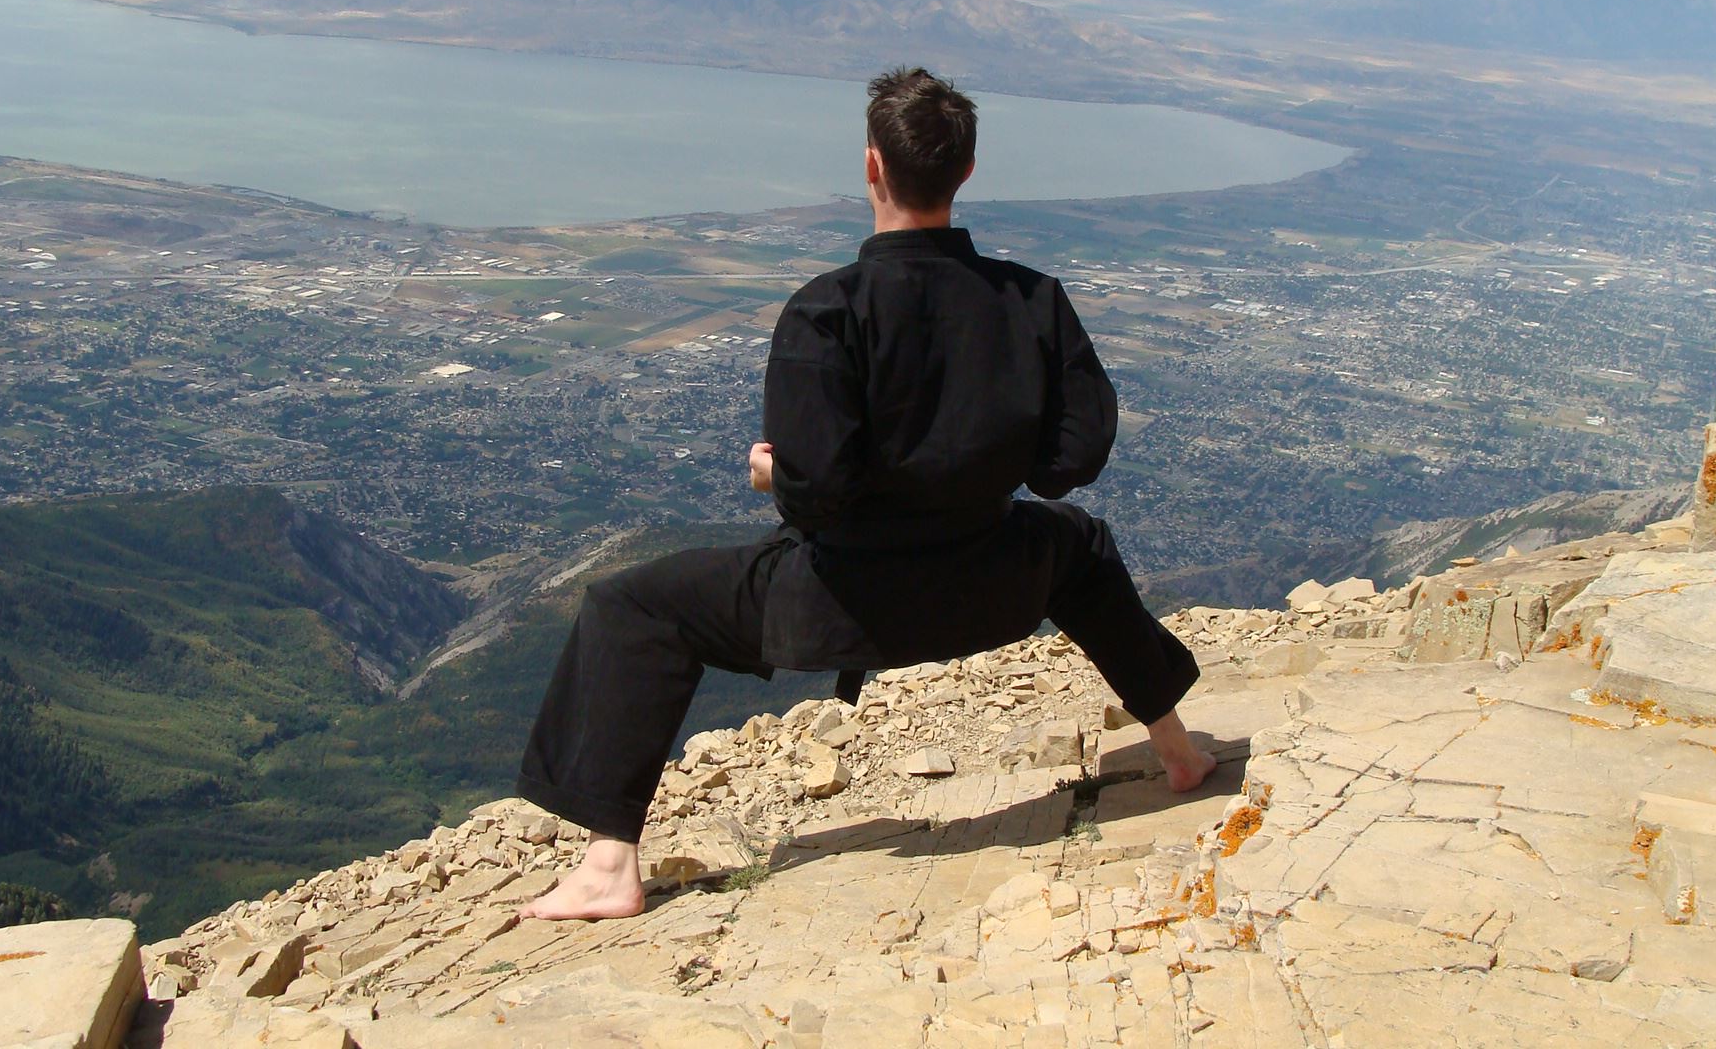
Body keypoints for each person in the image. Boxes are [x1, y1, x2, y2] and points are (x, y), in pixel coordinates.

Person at [514, 67, 1217, 922]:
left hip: (843, 607)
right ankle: (1178, 753)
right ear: (965, 171)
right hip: (995, 584)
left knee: (631, 607)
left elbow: (816, 496)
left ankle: (608, 865)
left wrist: (772, 474)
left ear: (872, 166)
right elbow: (1071, 459)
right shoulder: (1034, 301)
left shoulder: (826, 312)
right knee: (1079, 542)